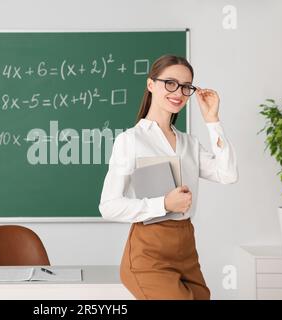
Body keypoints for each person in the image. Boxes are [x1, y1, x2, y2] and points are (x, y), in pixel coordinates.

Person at [98, 55, 238, 300]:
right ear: (151, 85)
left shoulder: (189, 143)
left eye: (186, 87)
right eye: (170, 83)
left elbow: (227, 174)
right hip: (148, 253)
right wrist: (163, 204)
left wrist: (212, 120)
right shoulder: (131, 140)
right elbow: (108, 206)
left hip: (186, 247)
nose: (179, 92)